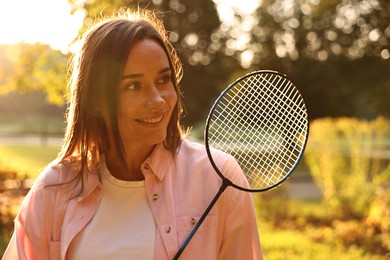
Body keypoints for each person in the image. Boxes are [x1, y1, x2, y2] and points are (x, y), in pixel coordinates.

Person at [3, 8, 262, 260]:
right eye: (133, 85)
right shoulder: (54, 189)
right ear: (96, 100)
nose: (158, 100)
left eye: (163, 79)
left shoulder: (218, 176)